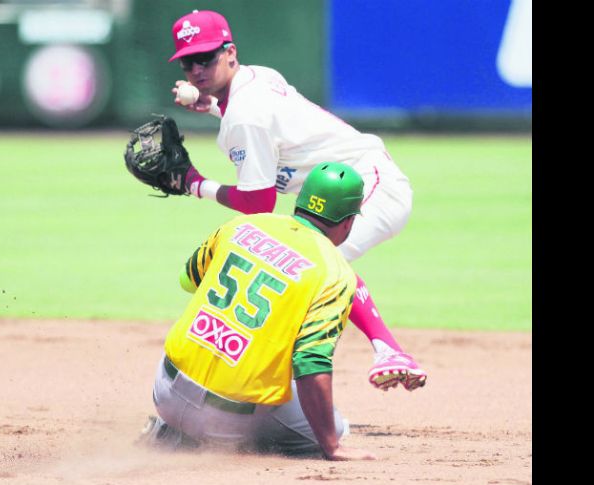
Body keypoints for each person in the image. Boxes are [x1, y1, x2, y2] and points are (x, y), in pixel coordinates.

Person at [167, 9, 426, 391]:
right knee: (305, 265)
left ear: (230, 53)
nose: (198, 70)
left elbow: (258, 203)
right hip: (342, 187)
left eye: (207, 58)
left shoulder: (244, 117)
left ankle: (388, 349)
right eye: (189, 62)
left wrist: (195, 184)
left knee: (315, 265)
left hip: (369, 184)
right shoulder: (256, 78)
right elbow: (256, 118)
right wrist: (212, 106)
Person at [141, 162, 378, 460]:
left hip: (165, 391)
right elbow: (311, 362)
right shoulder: (336, 272)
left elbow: (188, 280)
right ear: (347, 222)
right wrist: (331, 445)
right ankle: (210, 441)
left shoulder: (243, 225)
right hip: (228, 421)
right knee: (336, 425)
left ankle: (170, 428)